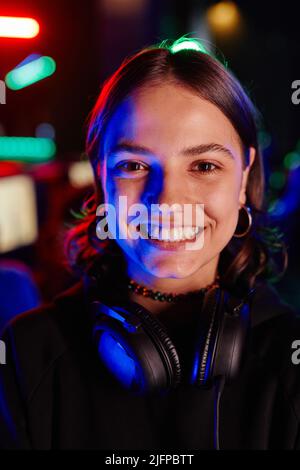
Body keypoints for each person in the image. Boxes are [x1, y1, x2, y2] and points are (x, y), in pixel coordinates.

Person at [0, 36, 300, 450]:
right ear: (101, 178)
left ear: (244, 178)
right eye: (134, 165)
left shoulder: (290, 358)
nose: (168, 200)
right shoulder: (25, 354)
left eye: (204, 165)